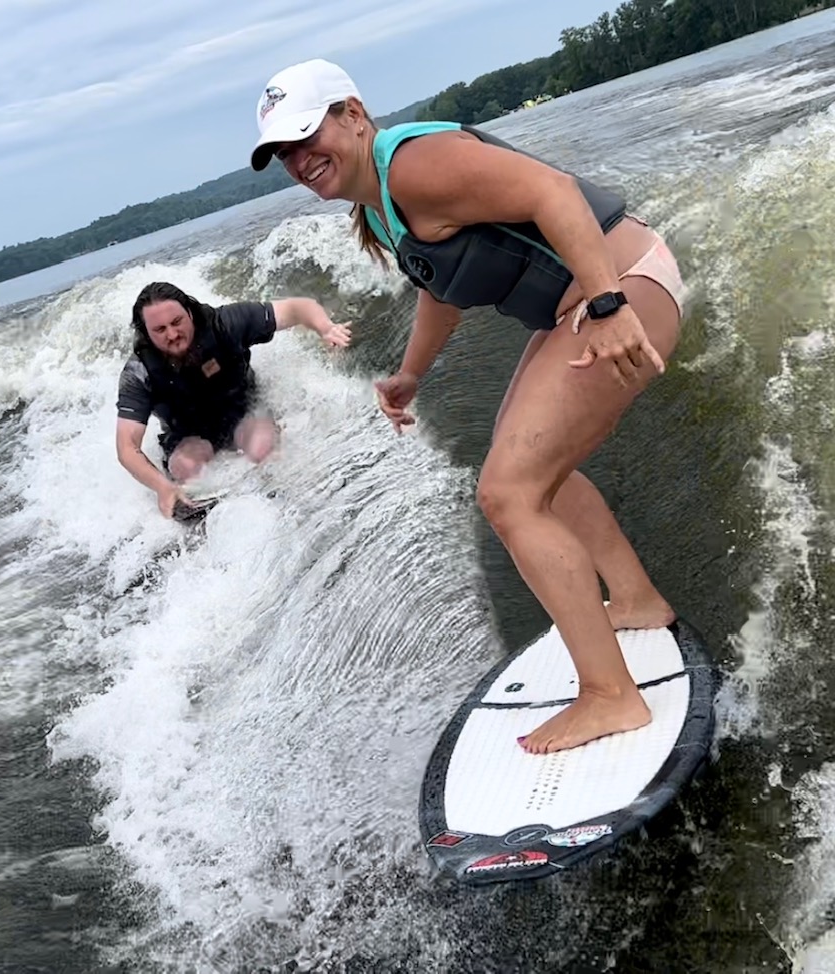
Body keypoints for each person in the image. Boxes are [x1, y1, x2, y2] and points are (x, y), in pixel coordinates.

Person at [249, 59, 688, 755]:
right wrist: (409, 376)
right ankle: (633, 600)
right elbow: (443, 290)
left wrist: (608, 304)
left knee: (508, 494)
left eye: (309, 137)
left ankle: (611, 696)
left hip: (622, 288)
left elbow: (555, 191)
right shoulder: (380, 204)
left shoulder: (415, 166)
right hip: (598, 296)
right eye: (284, 153)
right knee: (532, 474)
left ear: (354, 116)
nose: (301, 161)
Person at [115, 281, 351, 517]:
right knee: (185, 468)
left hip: (243, 414)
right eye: (160, 330)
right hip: (187, 435)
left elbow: (298, 307)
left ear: (190, 312)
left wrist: (325, 327)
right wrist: (162, 487)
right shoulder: (139, 372)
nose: (173, 334)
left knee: (261, 447)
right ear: (145, 332)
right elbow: (127, 447)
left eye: (177, 322)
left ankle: (295, 509)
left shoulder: (224, 324)